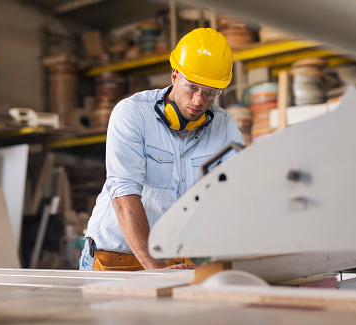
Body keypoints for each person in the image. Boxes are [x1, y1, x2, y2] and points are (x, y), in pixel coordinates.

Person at [79, 27, 243, 271]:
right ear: (175, 75)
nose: (199, 100)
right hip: (115, 258)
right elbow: (124, 194)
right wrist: (155, 269)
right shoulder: (133, 113)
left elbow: (238, 190)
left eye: (210, 92)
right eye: (192, 87)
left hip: (175, 259)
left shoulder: (224, 125)